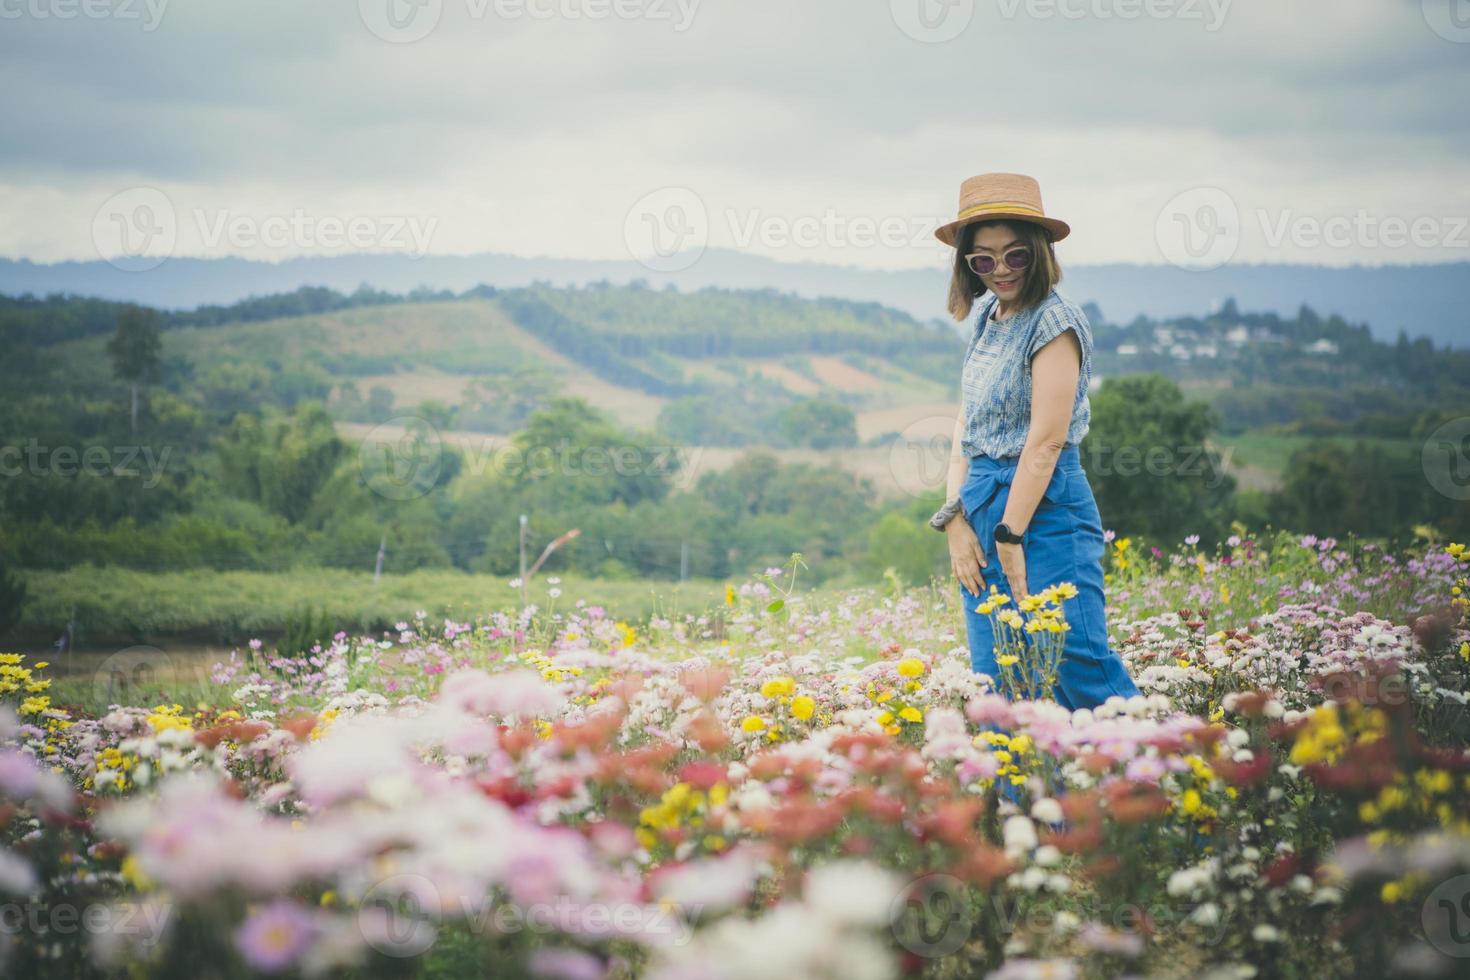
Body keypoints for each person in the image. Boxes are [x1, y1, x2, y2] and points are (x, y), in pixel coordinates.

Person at [927, 173, 1140, 710]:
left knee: (1074, 658)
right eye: (983, 260)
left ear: (1038, 253)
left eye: (1014, 256)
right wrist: (954, 516)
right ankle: (1022, 792)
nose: (999, 270)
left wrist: (1010, 534)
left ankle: (1149, 779)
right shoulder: (985, 316)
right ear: (968, 265)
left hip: (1043, 507)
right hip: (980, 499)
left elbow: (1044, 443)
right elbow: (966, 422)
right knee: (997, 670)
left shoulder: (1055, 322)